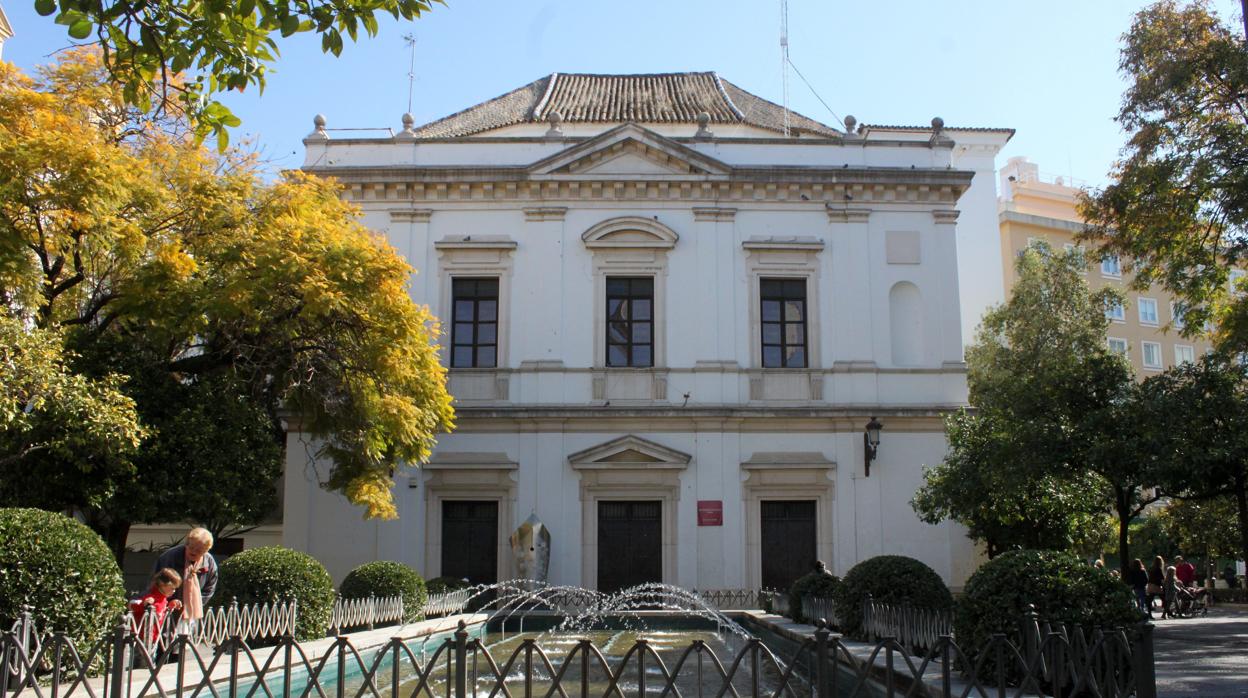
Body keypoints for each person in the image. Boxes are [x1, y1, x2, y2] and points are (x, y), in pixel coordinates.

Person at [153, 528, 217, 633]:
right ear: (186, 544)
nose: (193, 551)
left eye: (199, 550)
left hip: (192, 612)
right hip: (167, 609)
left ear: (206, 551)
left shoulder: (209, 562)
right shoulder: (170, 557)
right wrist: (169, 602)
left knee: (186, 643)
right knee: (165, 643)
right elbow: (157, 582)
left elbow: (210, 587)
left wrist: (193, 603)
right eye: (191, 547)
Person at [129, 568, 182, 644]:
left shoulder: (163, 598)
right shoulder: (151, 596)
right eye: (172, 588)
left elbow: (161, 611)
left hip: (154, 637)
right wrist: (144, 604)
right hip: (141, 637)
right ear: (162, 585)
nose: (174, 591)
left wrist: (170, 605)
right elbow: (132, 605)